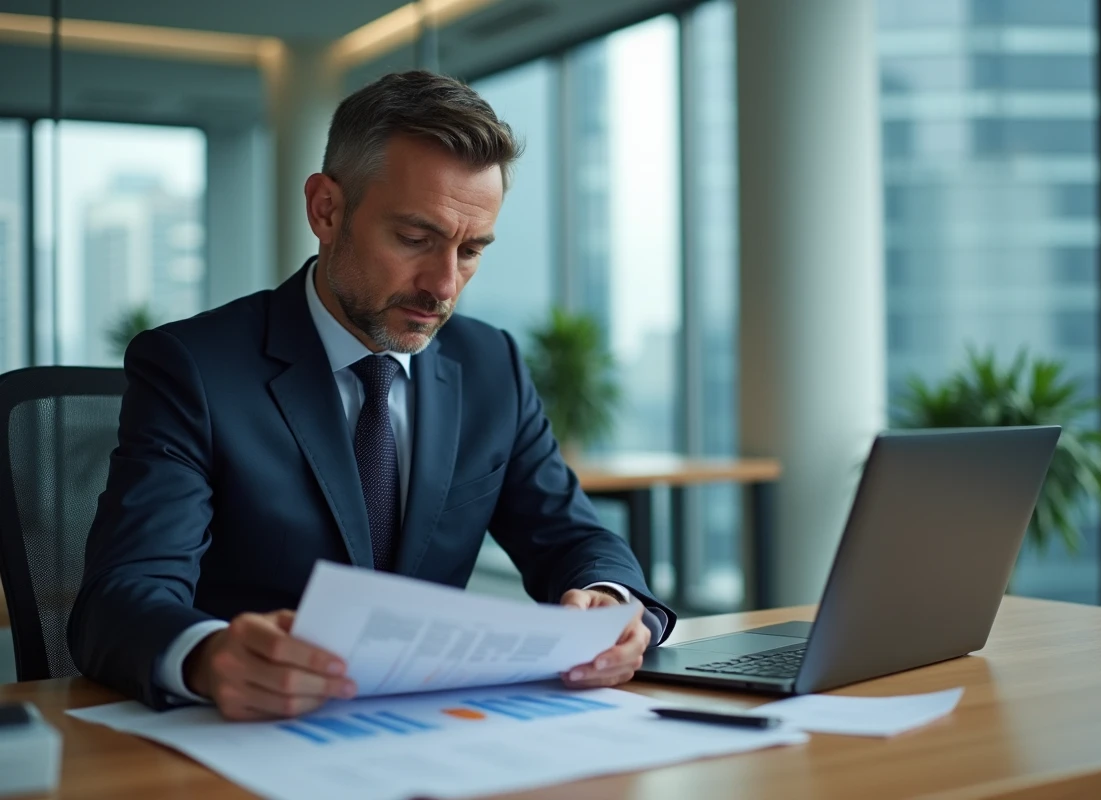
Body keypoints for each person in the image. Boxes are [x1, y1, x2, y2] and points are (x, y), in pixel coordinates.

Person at [68, 70, 675, 720]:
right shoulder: (195, 368)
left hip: (436, 736)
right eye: (415, 239)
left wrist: (610, 605)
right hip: (253, 738)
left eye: (471, 250)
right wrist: (208, 657)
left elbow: (573, 535)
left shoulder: (490, 363)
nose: (444, 285)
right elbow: (120, 596)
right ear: (326, 210)